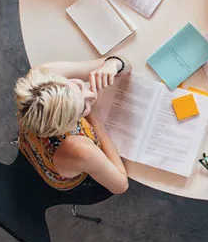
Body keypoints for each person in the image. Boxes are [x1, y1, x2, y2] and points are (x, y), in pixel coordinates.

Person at [15, 55, 131, 195]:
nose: (91, 95)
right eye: (83, 108)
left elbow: (123, 63)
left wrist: (113, 65)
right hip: (66, 177)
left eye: (78, 85)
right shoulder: (79, 149)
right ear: (68, 125)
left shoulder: (42, 75)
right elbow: (120, 185)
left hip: (30, 144)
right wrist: (95, 118)